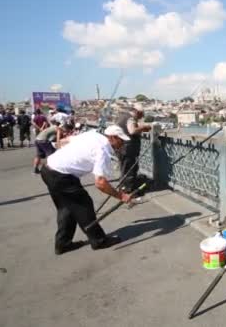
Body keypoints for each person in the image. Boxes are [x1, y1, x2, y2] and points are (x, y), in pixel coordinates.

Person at [40, 125, 132, 254]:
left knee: (67, 208)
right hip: (61, 176)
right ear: (112, 137)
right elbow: (100, 183)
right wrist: (121, 196)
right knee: (84, 205)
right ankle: (99, 241)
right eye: (120, 140)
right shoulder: (103, 149)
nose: (121, 144)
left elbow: (64, 141)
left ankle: (62, 244)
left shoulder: (93, 134)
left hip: (48, 169)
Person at [116, 103, 151, 194]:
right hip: (128, 148)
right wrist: (143, 127)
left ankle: (124, 188)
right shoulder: (130, 118)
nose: (141, 116)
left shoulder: (122, 116)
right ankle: (128, 191)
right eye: (141, 114)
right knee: (129, 169)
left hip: (121, 147)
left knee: (125, 169)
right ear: (137, 112)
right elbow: (132, 131)